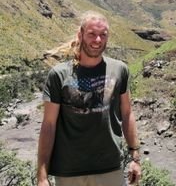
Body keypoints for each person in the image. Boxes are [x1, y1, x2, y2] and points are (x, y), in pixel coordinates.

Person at [37, 11, 141, 186]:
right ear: (81, 35)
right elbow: (48, 125)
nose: (98, 40)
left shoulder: (120, 70)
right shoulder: (59, 75)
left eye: (103, 35)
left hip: (110, 167)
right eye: (92, 34)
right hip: (69, 170)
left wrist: (135, 158)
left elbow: (127, 114)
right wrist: (42, 176)